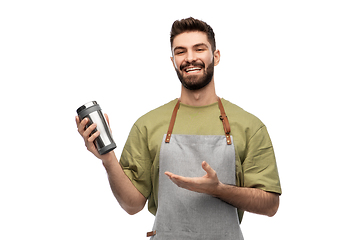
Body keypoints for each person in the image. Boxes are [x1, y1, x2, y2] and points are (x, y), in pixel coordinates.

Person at [76, 17, 282, 239]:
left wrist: (218, 190)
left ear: (216, 56)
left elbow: (270, 205)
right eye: (181, 51)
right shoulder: (148, 124)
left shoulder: (249, 125)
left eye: (199, 49)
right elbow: (132, 205)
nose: (190, 58)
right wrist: (107, 159)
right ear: (173, 60)